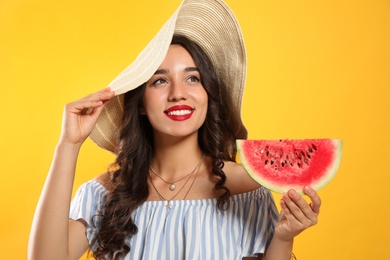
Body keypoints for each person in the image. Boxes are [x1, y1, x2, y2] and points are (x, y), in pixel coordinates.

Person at [28, 0, 321, 259]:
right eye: (159, 81)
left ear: (208, 95)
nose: (178, 93)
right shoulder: (104, 194)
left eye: (193, 79)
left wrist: (283, 237)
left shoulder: (248, 190)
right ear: (141, 102)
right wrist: (68, 144)